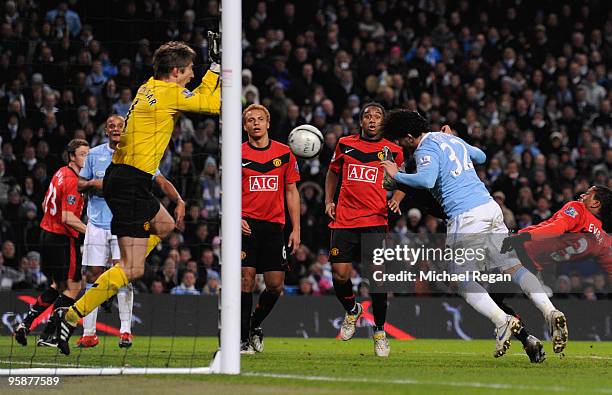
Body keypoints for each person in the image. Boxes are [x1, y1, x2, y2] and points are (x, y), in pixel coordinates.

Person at [53, 36, 221, 356]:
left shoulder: (149, 86)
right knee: (133, 271)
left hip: (128, 178)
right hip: (130, 181)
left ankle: (119, 269)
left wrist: (211, 68)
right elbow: (212, 104)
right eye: (188, 71)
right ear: (174, 71)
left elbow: (197, 96)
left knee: (166, 224)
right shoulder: (169, 92)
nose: (190, 76)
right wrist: (216, 70)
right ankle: (70, 316)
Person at [379, 110, 567, 358]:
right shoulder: (449, 139)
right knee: (513, 268)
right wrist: (456, 139)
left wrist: (394, 173)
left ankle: (502, 321)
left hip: (466, 216)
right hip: (490, 209)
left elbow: (426, 180)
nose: (400, 145)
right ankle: (549, 310)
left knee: (460, 280)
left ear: (409, 135)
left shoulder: (425, 150)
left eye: (400, 139)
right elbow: (481, 155)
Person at [75, 114, 186, 349]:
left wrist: (178, 199)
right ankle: (88, 332)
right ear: (106, 131)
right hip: (97, 224)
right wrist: (96, 184)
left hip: (127, 222)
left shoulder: (139, 154)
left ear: (126, 131)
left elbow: (161, 180)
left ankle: (125, 331)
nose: (116, 129)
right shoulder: (94, 155)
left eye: (120, 126)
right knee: (92, 275)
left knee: (124, 274)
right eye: (111, 126)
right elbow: (80, 184)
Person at [325, 102, 405, 357]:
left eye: (377, 116)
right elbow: (332, 173)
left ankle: (379, 331)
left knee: (377, 279)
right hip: (345, 219)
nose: (372, 120)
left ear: (383, 122)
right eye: (367, 116)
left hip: (375, 220)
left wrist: (397, 199)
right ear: (361, 122)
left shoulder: (393, 150)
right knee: (339, 274)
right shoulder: (345, 144)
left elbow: (404, 179)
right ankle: (352, 310)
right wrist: (329, 200)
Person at [14, 139, 89, 347]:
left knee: (59, 286)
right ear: (72, 156)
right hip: (62, 238)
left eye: (88, 154)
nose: (87, 158)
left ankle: (25, 324)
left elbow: (44, 203)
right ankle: (48, 335)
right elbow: (67, 217)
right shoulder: (74, 180)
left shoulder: (59, 173)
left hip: (46, 235)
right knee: (73, 287)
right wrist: (92, 232)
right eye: (82, 154)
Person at [240, 104, 301, 354]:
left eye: (260, 119)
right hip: (246, 225)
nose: (255, 123)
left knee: (275, 285)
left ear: (268, 123)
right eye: (250, 120)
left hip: (275, 226)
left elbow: (291, 191)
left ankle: (254, 324)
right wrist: (234, 217)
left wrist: (296, 228)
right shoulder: (236, 153)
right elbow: (227, 189)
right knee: (245, 280)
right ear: (244, 126)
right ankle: (242, 340)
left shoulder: (285, 153)